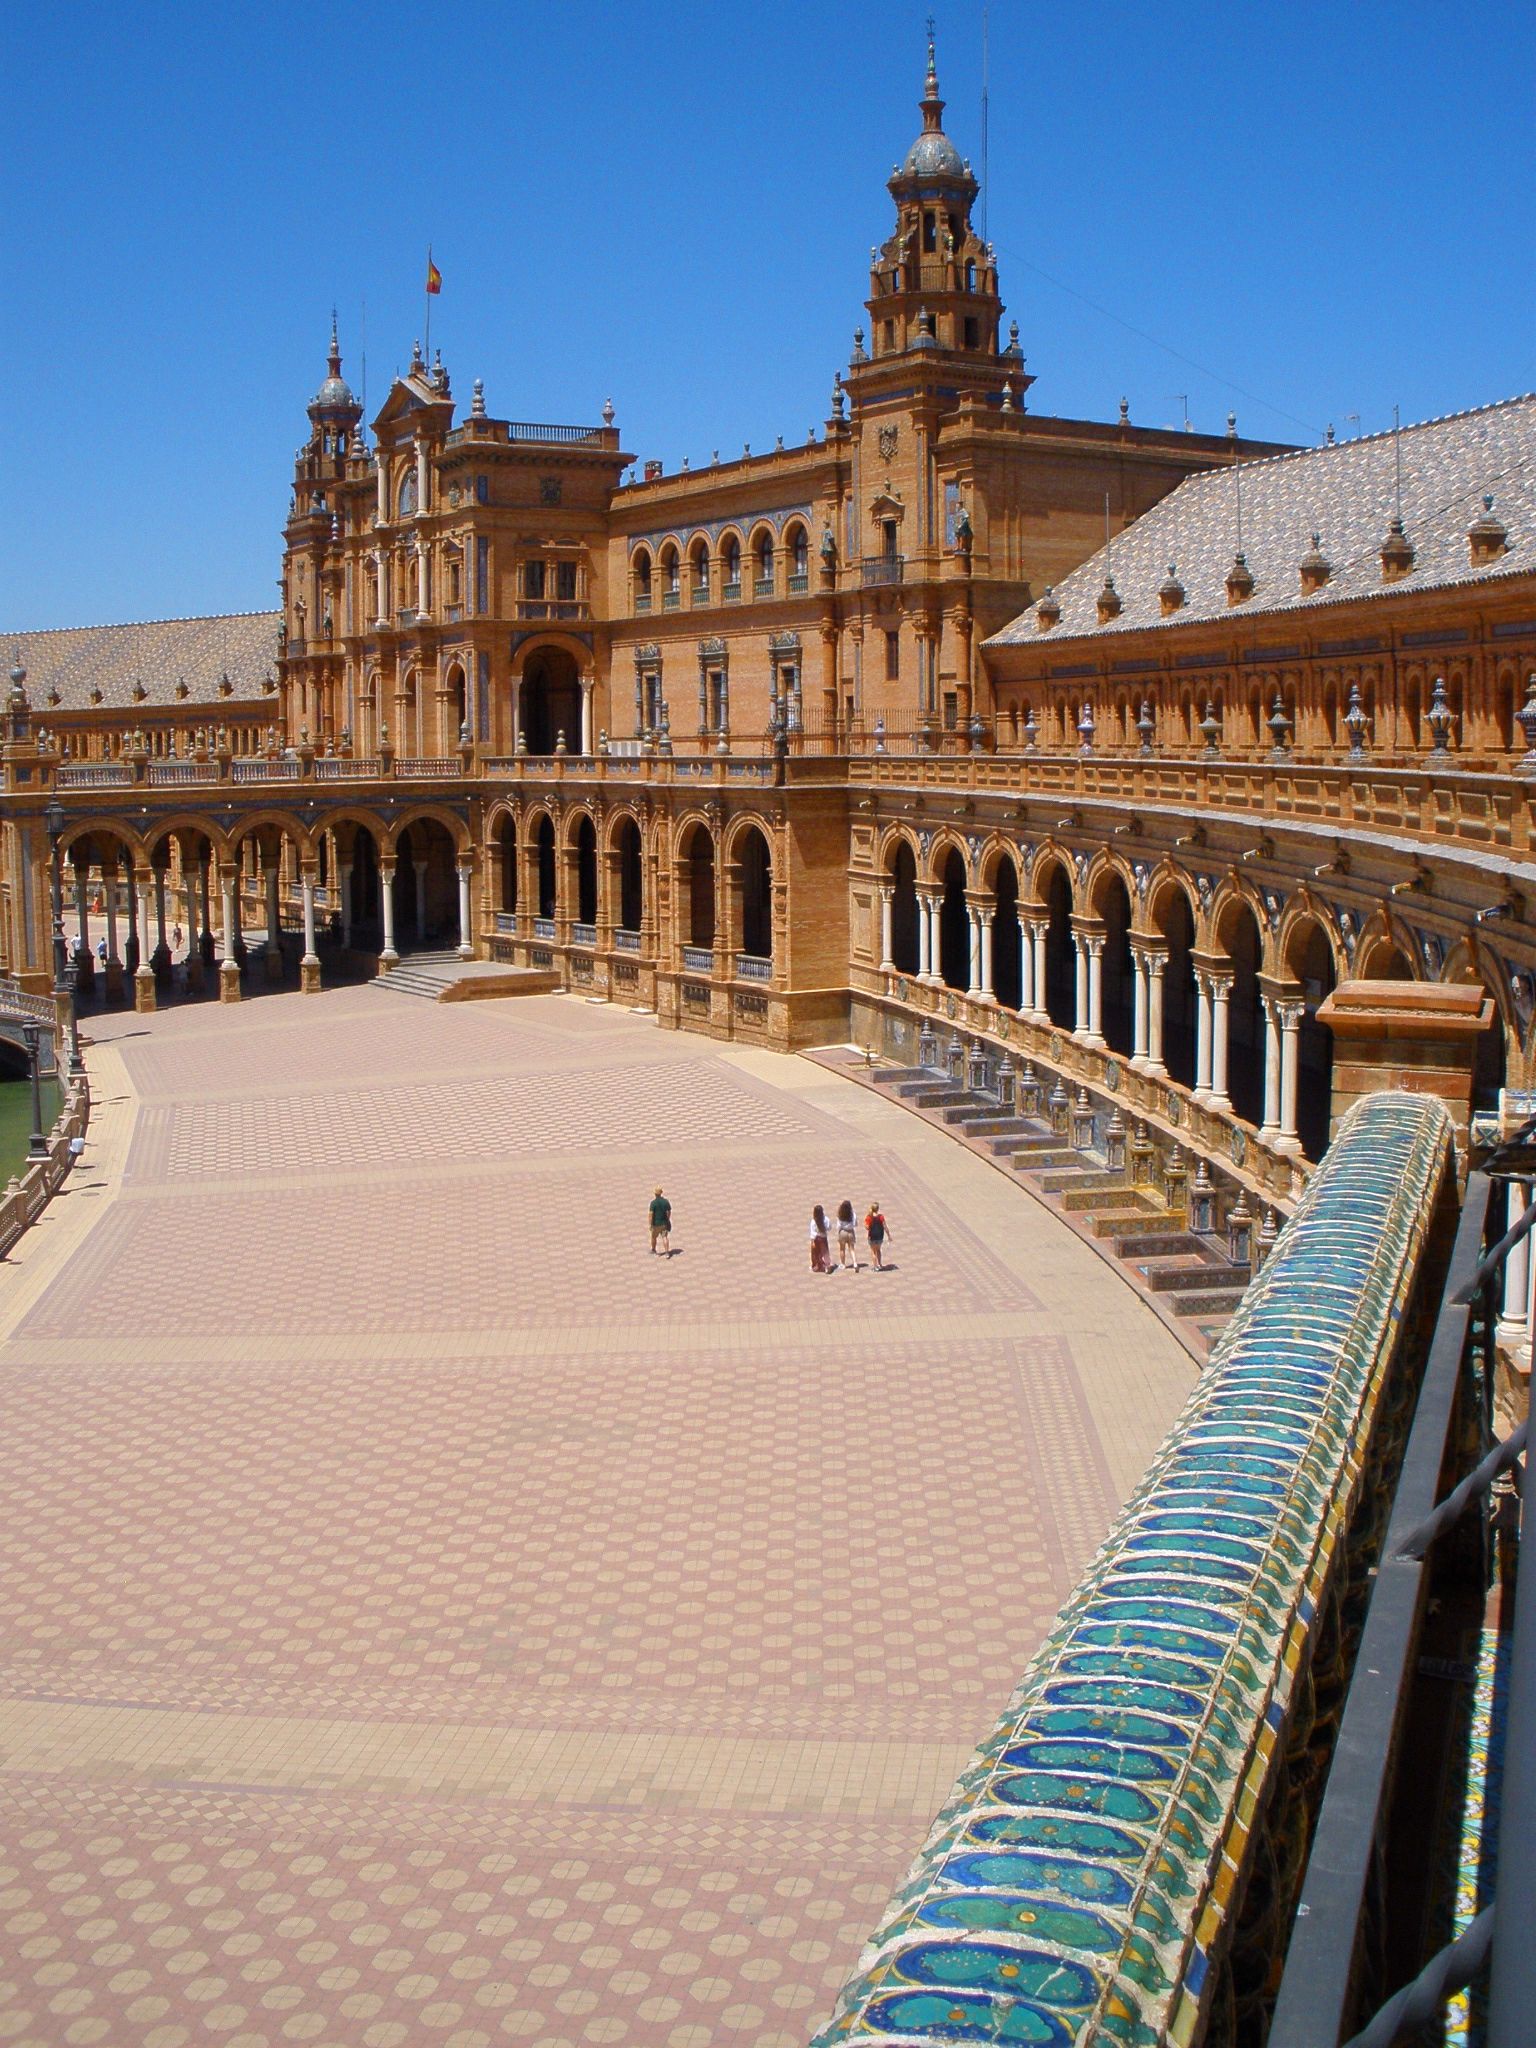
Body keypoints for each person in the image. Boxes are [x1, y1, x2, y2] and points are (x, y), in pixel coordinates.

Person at [865, 1201, 891, 1271]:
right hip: (880, 1236)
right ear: (878, 1209)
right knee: (878, 1250)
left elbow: (867, 1227)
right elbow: (885, 1226)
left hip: (872, 1237)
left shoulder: (869, 1217)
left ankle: (875, 1266)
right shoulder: (881, 1217)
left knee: (873, 1252)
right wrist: (889, 1235)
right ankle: (880, 1264)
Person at [648, 1186, 672, 1256]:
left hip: (656, 1224)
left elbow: (651, 1214)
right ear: (661, 1193)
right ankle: (667, 1252)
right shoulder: (665, 1201)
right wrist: (667, 1219)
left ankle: (653, 1249)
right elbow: (669, 1211)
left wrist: (650, 1224)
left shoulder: (653, 1203)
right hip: (664, 1223)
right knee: (664, 1237)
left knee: (653, 1237)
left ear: (655, 1194)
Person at [835, 1199, 858, 1270]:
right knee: (852, 1249)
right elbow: (855, 1224)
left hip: (843, 1232)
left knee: (842, 1249)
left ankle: (843, 1264)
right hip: (850, 1232)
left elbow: (838, 1225)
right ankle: (855, 1263)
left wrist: (838, 1232)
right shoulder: (853, 1214)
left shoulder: (840, 1214)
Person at [809, 1204, 832, 1273]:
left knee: (815, 1253)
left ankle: (816, 1266)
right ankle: (827, 1267)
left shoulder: (813, 1221)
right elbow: (829, 1227)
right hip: (823, 1238)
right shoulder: (826, 1219)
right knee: (825, 1253)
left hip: (816, 1238)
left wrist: (812, 1241)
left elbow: (812, 1232)